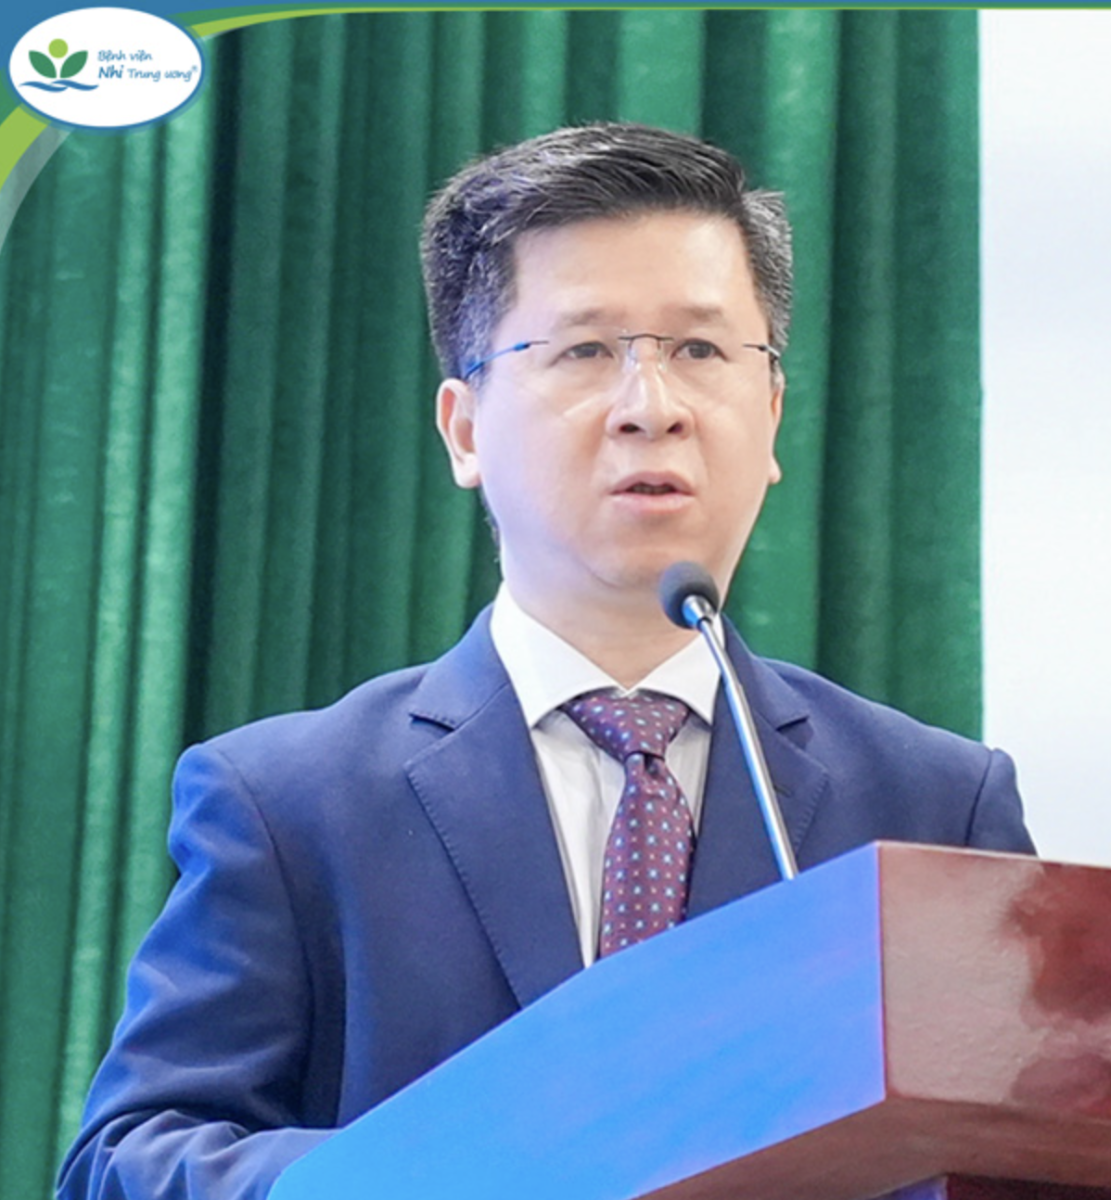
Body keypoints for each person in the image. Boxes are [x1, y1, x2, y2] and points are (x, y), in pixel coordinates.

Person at [57, 122, 1035, 1200]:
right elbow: (128, 1161)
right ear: (465, 429)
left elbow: (1033, 1154)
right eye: (584, 351)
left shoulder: (934, 805)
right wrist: (442, 1178)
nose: (651, 408)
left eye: (701, 351)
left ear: (771, 416)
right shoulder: (292, 803)